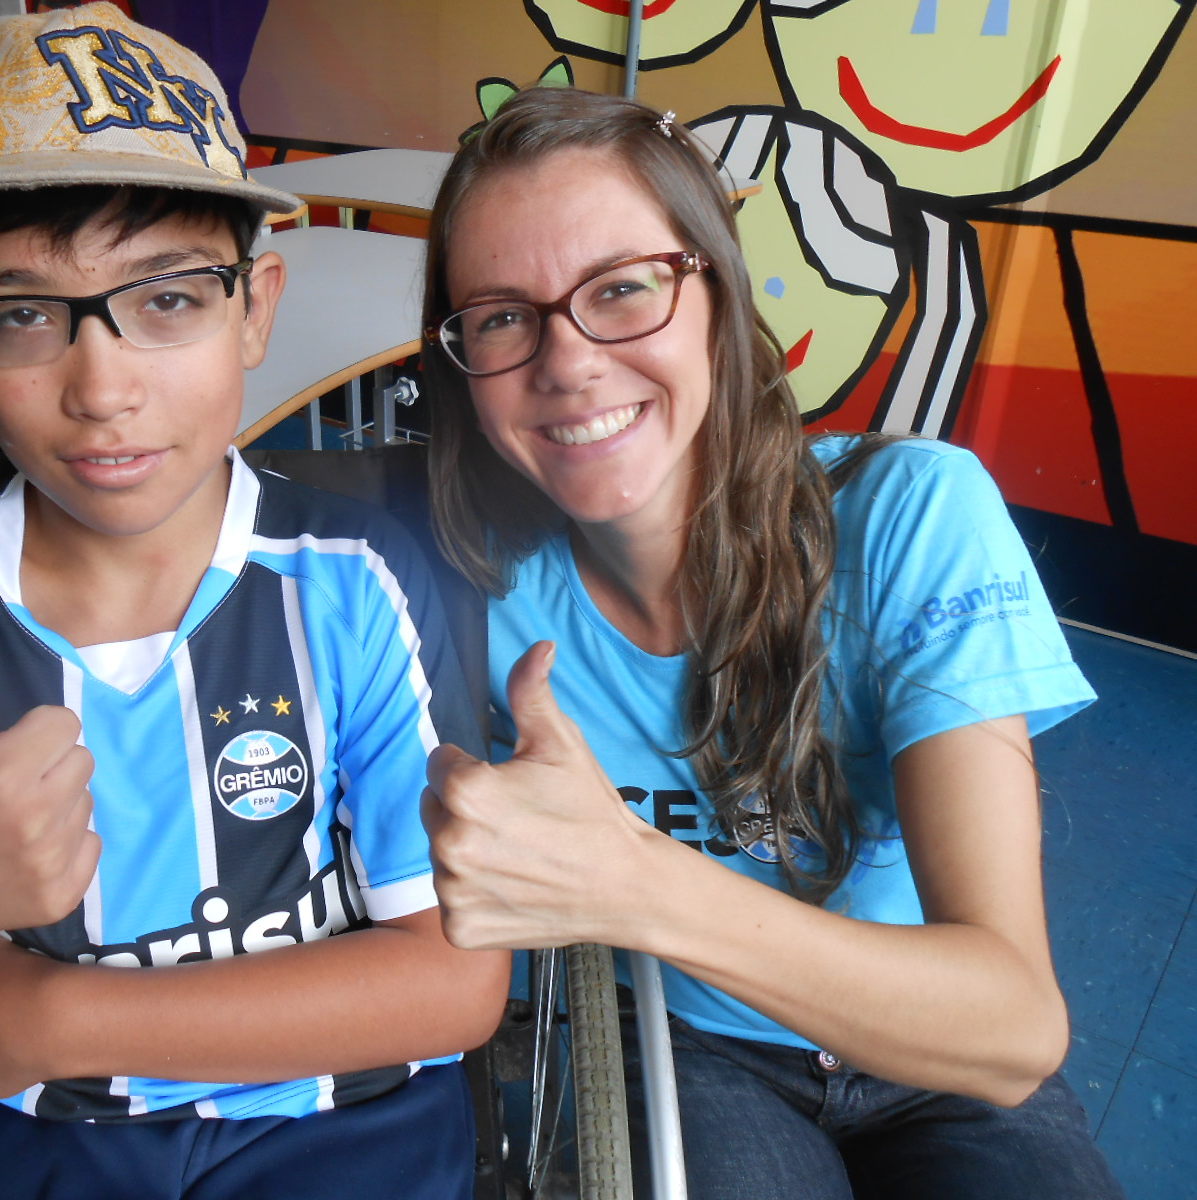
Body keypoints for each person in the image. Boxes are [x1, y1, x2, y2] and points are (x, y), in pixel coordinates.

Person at [0, 7, 507, 1198]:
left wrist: (58, 1017)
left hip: (343, 1128)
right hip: (11, 1142)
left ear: (255, 309)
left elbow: (454, 985)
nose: (101, 389)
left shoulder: (356, 578)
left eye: (168, 299)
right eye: (22, 313)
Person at [417, 86, 1123, 1199]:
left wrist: (633, 886)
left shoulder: (909, 517)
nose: (566, 360)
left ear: (714, 290)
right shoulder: (475, 584)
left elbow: (1013, 1023)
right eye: (503, 315)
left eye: (622, 289)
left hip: (930, 1045)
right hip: (702, 1050)